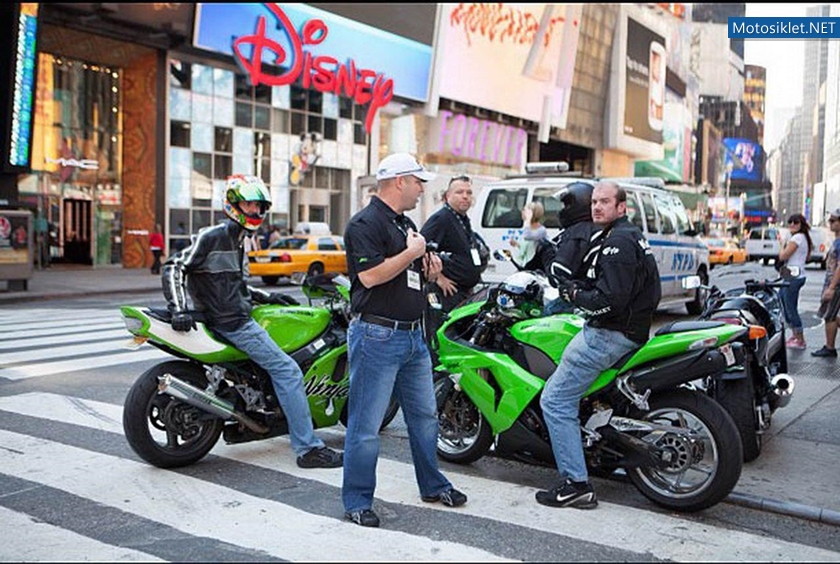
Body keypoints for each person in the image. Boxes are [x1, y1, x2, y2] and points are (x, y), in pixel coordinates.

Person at [162, 174, 343, 469]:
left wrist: (268, 297)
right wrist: (178, 308)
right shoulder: (214, 236)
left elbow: (234, 286)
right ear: (233, 204)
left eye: (259, 206)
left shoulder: (237, 240)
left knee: (271, 366)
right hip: (231, 322)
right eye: (249, 204)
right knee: (288, 371)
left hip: (229, 315)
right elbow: (174, 266)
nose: (256, 212)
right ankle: (308, 448)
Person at [342, 153, 467, 528]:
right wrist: (411, 253)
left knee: (425, 418)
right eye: (417, 182)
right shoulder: (363, 224)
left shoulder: (404, 222)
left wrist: (427, 267)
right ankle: (357, 501)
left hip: (413, 336)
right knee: (366, 426)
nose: (421, 189)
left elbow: (406, 273)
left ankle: (432, 484)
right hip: (377, 336)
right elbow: (370, 277)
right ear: (399, 181)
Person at [537, 181, 661, 509]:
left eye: (604, 202)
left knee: (554, 400)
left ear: (622, 207)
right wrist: (581, 288)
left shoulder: (617, 242)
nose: (597, 207)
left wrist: (575, 295)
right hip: (627, 331)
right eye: (594, 202)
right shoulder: (623, 235)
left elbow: (610, 301)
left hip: (609, 334)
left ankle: (575, 483)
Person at [420, 174, 487, 313]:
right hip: (447, 293)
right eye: (459, 192)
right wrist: (439, 278)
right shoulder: (441, 219)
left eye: (468, 193)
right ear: (447, 195)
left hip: (464, 293)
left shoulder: (463, 219)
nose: (465, 196)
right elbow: (421, 249)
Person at [541, 182, 603, 315]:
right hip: (596, 295)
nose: (563, 209)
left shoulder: (577, 233)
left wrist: (546, 254)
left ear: (577, 206)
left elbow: (558, 275)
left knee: (543, 315)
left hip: (580, 298)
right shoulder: (597, 228)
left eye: (567, 205)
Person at [778, 213, 812, 349]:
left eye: (795, 222)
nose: (792, 224)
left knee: (790, 309)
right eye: (790, 222)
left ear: (801, 224)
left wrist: (782, 244)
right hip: (793, 276)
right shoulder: (803, 238)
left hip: (793, 277)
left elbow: (783, 255)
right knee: (786, 306)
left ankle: (800, 339)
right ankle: (795, 335)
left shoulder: (797, 238)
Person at [812, 208, 840, 358]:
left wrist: (832, 287)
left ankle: (830, 347)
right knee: (832, 315)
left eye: (833, 220)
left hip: (835, 284)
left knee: (830, 315)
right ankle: (829, 347)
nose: (830, 223)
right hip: (833, 283)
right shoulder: (836, 240)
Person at [510, 201, 547, 266]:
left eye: (525, 210)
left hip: (536, 267)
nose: (522, 212)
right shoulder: (528, 228)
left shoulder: (541, 230)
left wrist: (527, 220)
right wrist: (517, 244)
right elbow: (528, 249)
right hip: (525, 265)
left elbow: (527, 236)